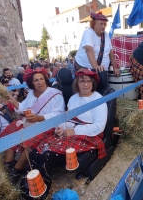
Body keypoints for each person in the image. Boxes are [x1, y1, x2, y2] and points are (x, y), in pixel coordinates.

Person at [19, 69, 107, 199]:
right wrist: (60, 128)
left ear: (93, 83)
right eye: (82, 81)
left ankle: (40, 193)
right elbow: (67, 118)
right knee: (35, 152)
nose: (86, 84)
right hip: (70, 131)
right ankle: (28, 186)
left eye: (89, 81)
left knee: (47, 154)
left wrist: (74, 131)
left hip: (89, 135)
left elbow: (99, 127)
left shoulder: (99, 100)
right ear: (77, 83)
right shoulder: (73, 98)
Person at [0, 68, 65, 183]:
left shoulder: (55, 94)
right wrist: (13, 101)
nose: (40, 82)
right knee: (11, 131)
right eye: (36, 80)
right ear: (31, 83)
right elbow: (24, 109)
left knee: (30, 143)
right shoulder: (30, 94)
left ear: (45, 79)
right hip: (30, 121)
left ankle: (16, 170)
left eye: (41, 79)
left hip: (47, 125)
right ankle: (8, 164)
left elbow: (58, 114)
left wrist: (39, 118)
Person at [74, 12, 120, 78]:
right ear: (93, 24)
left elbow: (111, 53)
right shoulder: (88, 32)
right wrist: (96, 67)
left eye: (104, 24)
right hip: (84, 68)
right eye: (101, 24)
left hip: (101, 71)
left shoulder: (106, 35)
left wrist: (115, 68)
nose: (103, 26)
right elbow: (89, 50)